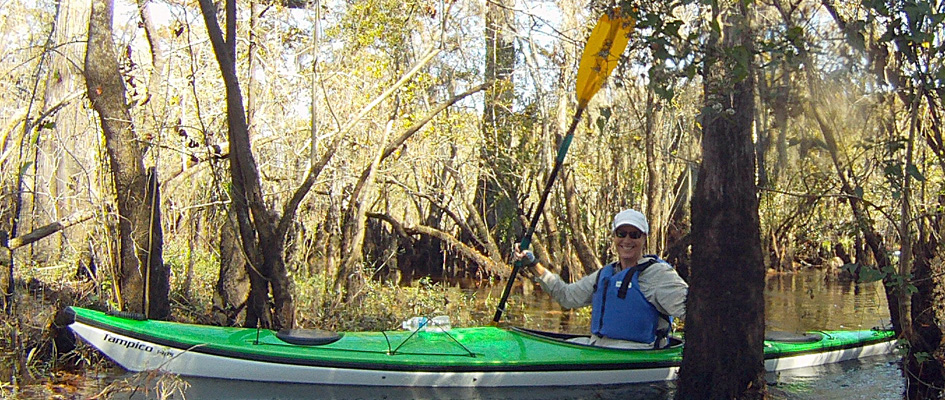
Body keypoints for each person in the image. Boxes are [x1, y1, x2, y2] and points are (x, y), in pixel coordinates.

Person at [514, 208, 688, 349]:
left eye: (634, 234)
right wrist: (534, 264)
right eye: (621, 234)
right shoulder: (606, 274)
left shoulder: (658, 274)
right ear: (614, 237)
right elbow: (567, 296)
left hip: (637, 351)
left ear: (644, 238)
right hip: (600, 346)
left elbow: (691, 310)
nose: (627, 240)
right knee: (558, 347)